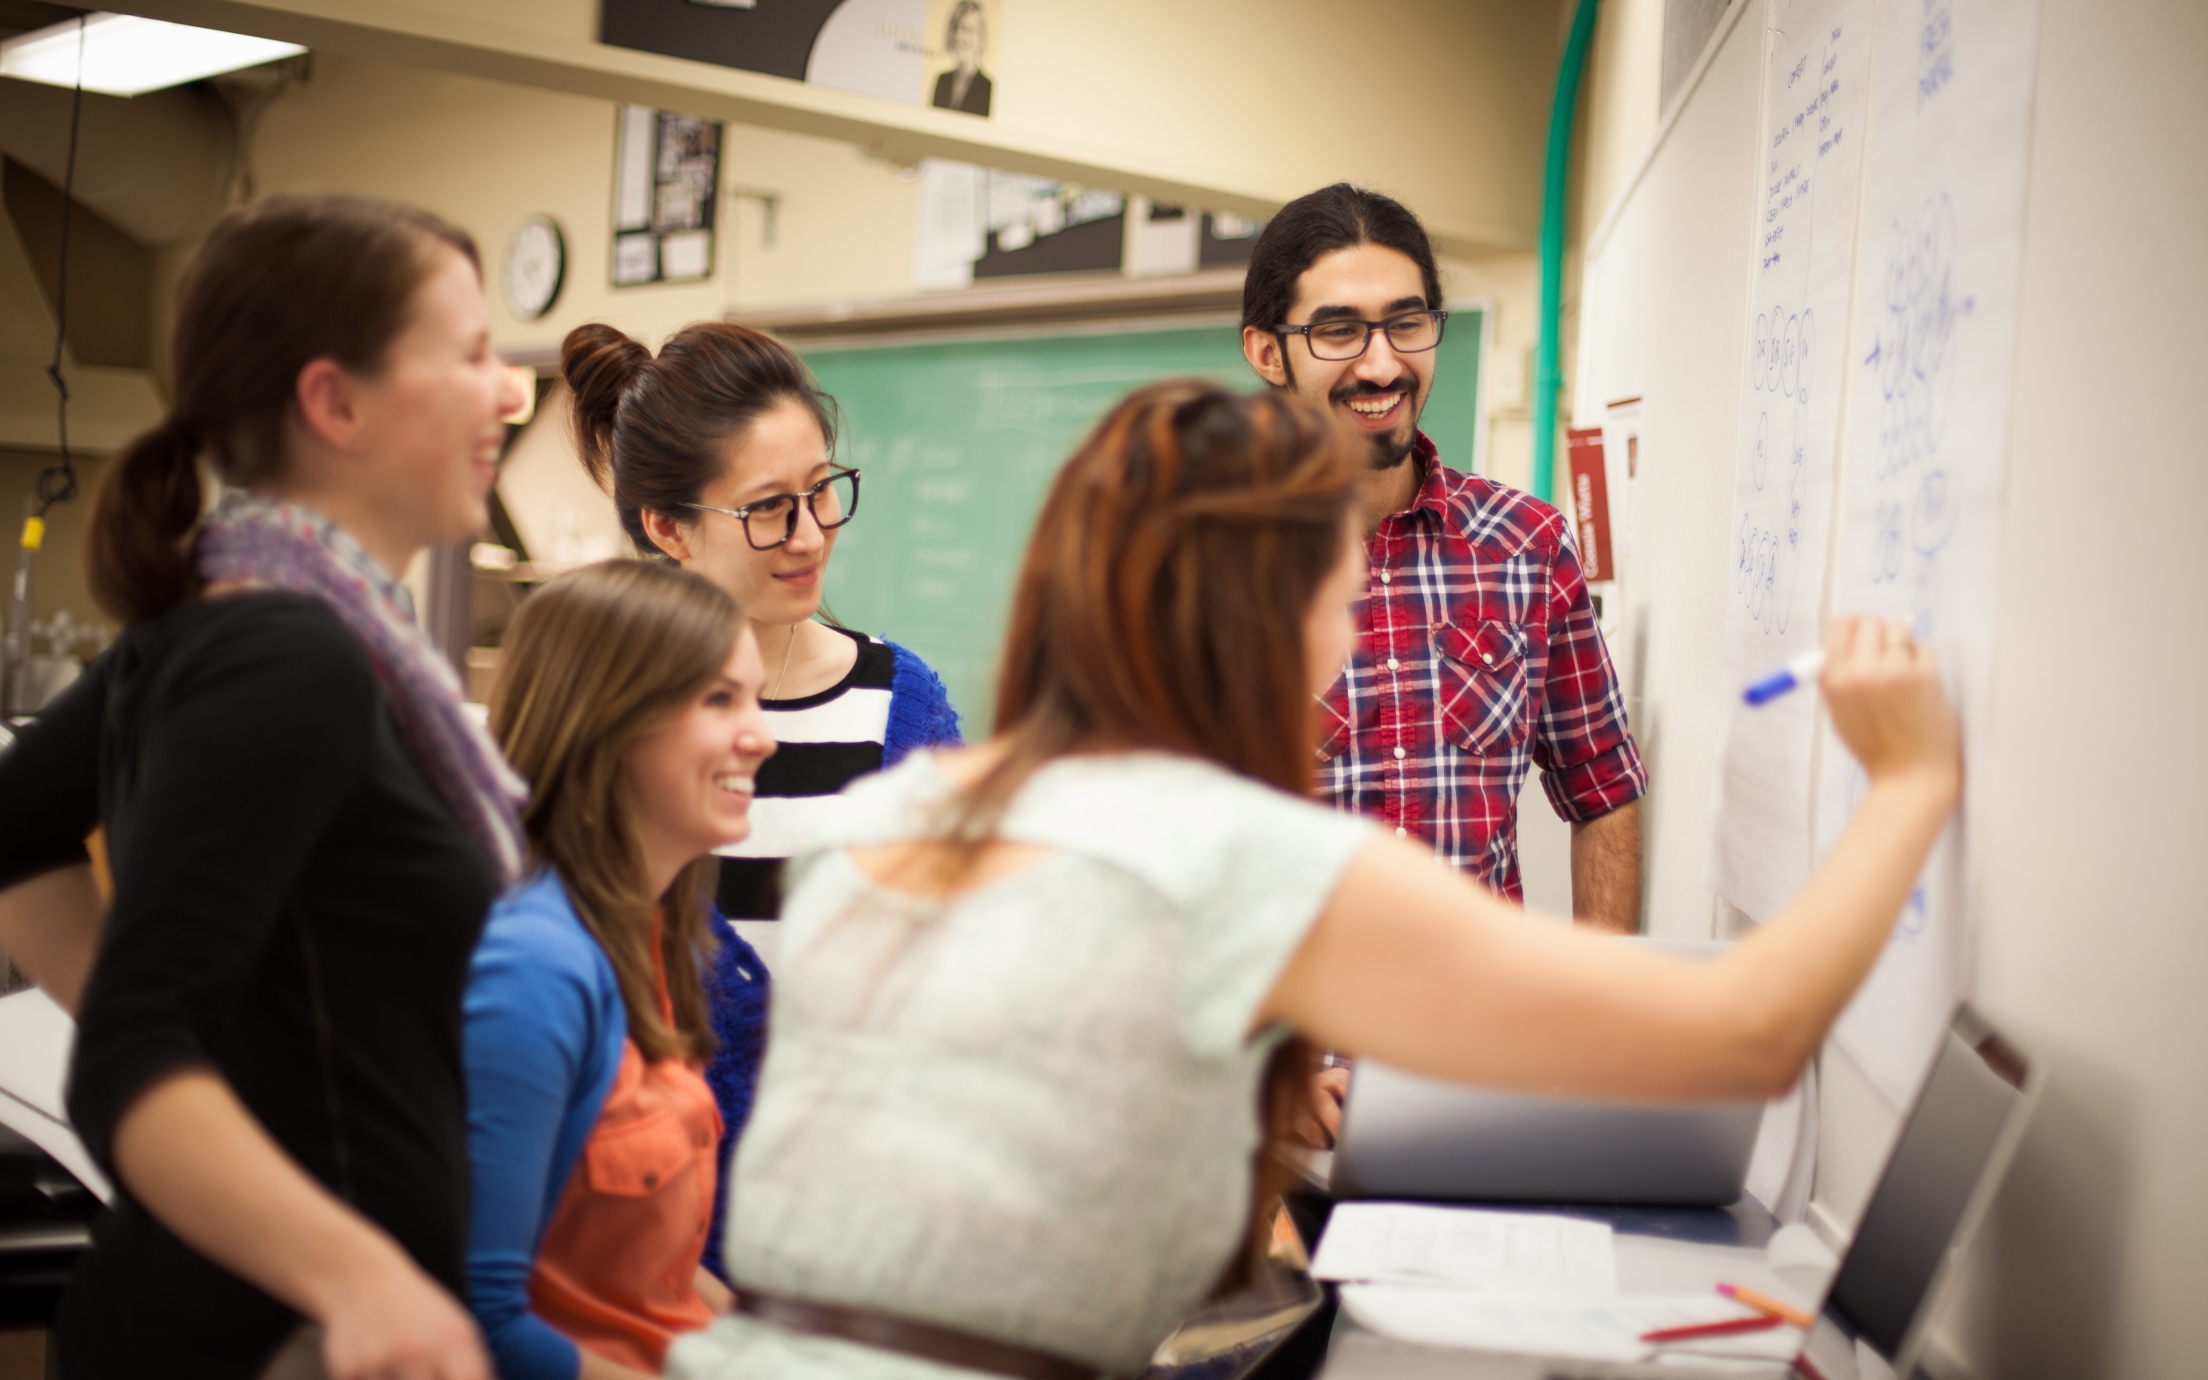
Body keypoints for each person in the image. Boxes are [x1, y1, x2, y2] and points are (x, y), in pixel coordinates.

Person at [663, 382, 1960, 1380]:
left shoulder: (895, 813)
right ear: (1267, 617)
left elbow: (993, 1131)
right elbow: (1750, 1032)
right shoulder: (1236, 856)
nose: (1342, 661)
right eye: (1341, 609)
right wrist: (1906, 782)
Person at [0, 196, 526, 1379]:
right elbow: (136, 1045)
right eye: (476, 354)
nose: (508, 392)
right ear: (335, 401)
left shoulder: (230, 627)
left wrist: (217, 1065)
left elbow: (12, 830)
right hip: (270, 1335)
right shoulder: (286, 657)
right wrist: (363, 1278)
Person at [561, 320, 961, 1283]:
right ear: (668, 526)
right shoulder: (609, 727)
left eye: (823, 493)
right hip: (646, 1264)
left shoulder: (902, 708)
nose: (811, 534)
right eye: (769, 509)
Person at [1241, 183, 1648, 934]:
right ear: (1268, 351)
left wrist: (1598, 1020)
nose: (1381, 365)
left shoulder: (1527, 547)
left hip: (1476, 1043)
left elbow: (1606, 792)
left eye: (1406, 323)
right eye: (1338, 332)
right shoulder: (1201, 563)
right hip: (1283, 1046)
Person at [464, 561, 775, 1380]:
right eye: (720, 699)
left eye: (757, 696)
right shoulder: (532, 968)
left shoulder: (654, 933)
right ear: (609, 721)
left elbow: (647, 1286)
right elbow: (479, 1323)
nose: (763, 735)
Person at [929, 1, 992, 116]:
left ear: (980, 36)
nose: (958, 36)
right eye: (955, 27)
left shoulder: (988, 89)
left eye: (967, 30)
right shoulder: (942, 81)